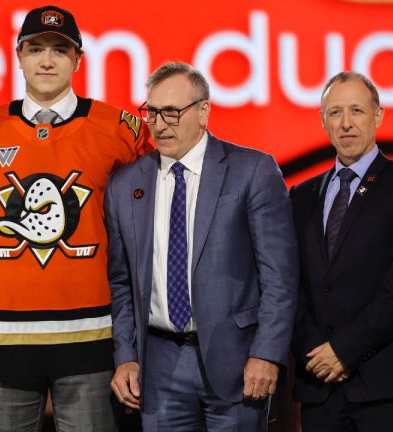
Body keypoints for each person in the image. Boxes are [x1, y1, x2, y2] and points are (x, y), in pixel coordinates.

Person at [0, 5, 152, 431]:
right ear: (19, 55)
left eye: (60, 51)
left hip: (91, 340)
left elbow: (147, 236)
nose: (47, 60)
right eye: (36, 49)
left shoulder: (122, 130)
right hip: (2, 340)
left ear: (78, 60)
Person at [106, 62, 299, 431]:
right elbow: (120, 283)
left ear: (204, 111)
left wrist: (267, 353)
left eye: (173, 112)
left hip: (239, 362)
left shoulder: (252, 171)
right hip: (158, 367)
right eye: (151, 112)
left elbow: (280, 278)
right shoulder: (125, 185)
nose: (160, 125)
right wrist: (125, 356)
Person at [290, 71, 393, 431]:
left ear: (378, 116)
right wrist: (315, 350)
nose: (346, 123)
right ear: (323, 121)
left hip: (387, 389)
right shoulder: (301, 196)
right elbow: (290, 285)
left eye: (357, 111)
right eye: (335, 113)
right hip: (320, 385)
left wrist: (344, 350)